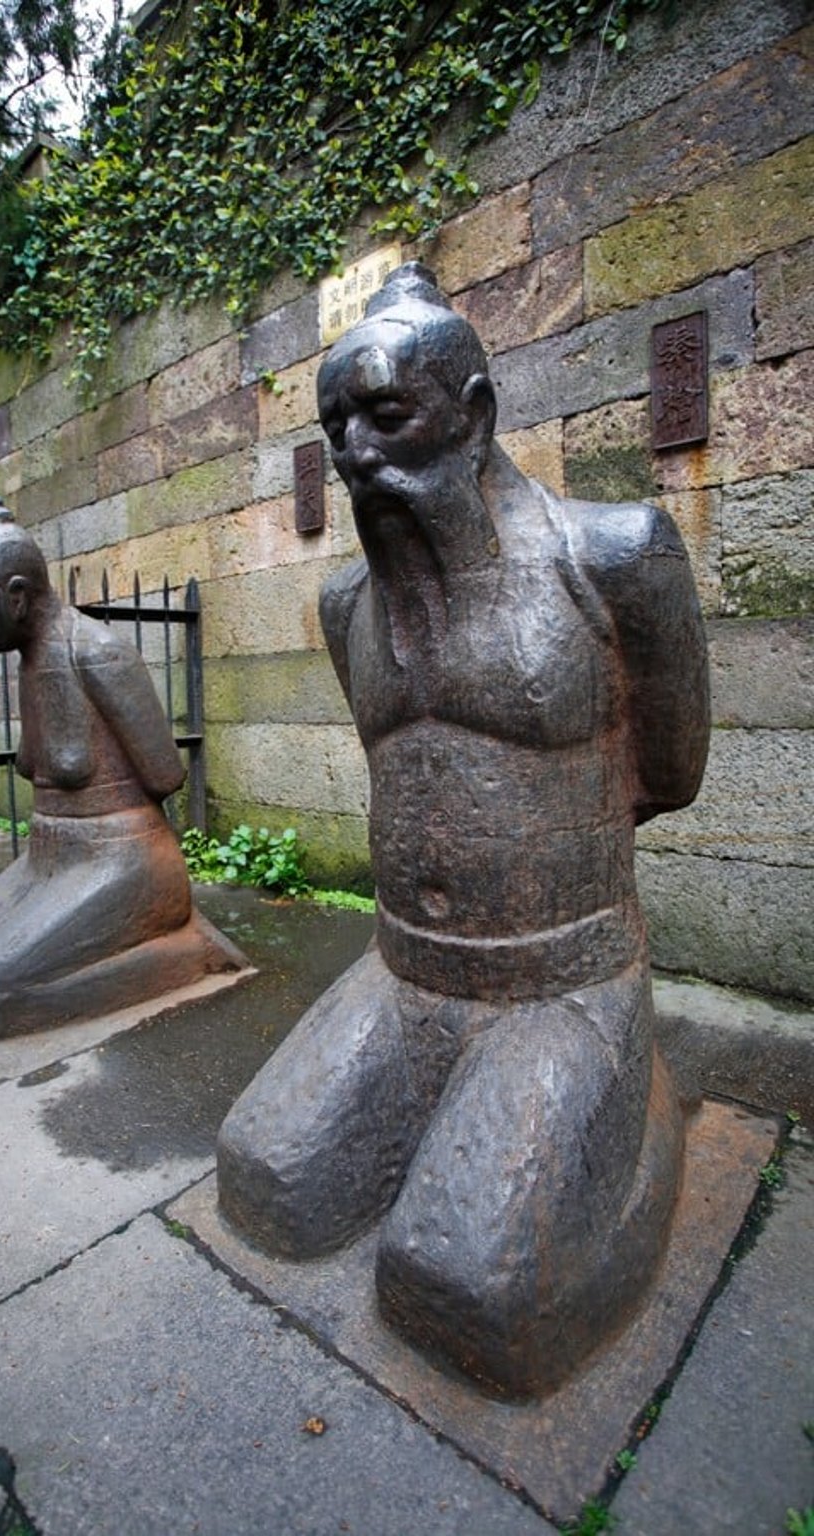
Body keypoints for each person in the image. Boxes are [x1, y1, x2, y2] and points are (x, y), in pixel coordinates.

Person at [217, 264, 709, 1398]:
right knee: (270, 1177)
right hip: (403, 969)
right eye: (337, 424)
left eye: (386, 414)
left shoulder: (614, 556)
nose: (355, 451)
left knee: (462, 1278)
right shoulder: (349, 604)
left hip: (560, 981)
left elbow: (670, 770)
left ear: (472, 413)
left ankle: (632, 1107)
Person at [0, 496, 244, 1039]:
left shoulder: (97, 652)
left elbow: (165, 774)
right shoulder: (30, 663)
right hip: (50, 859)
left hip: (124, 861)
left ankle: (184, 948)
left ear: (17, 596)